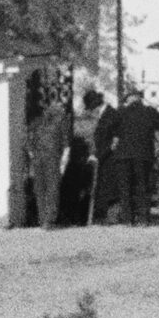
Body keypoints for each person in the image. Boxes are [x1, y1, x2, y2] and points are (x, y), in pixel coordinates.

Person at [95, 85, 159, 226]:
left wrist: (116, 136)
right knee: (142, 186)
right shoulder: (149, 111)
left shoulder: (121, 112)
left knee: (125, 187)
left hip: (123, 155)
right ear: (139, 98)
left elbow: (107, 127)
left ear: (128, 99)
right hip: (143, 155)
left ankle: (128, 219)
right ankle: (143, 219)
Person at [56, 88, 103, 227]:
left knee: (75, 188)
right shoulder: (93, 119)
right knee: (84, 188)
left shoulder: (78, 118)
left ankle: (74, 217)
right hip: (84, 156)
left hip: (78, 157)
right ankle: (80, 217)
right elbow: (93, 138)